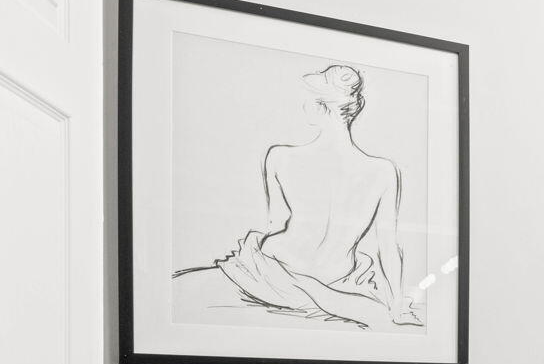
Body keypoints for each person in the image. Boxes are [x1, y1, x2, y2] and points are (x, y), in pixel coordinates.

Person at [177, 65, 418, 328]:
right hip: (335, 277)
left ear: (318, 106)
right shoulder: (383, 171)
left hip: (274, 268)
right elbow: (389, 248)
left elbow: (275, 225)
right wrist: (397, 306)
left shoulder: (280, 157)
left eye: (307, 101)